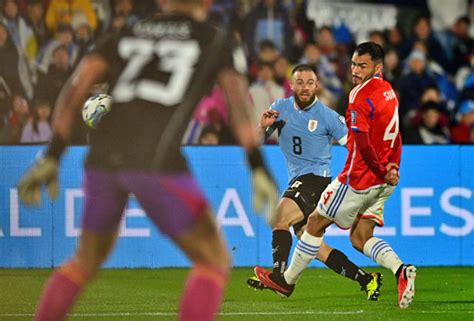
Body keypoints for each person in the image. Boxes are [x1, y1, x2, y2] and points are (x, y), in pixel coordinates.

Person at [17, 1, 277, 321]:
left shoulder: (128, 31)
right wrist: (258, 167)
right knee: (213, 259)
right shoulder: (217, 40)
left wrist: (53, 154)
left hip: (101, 158)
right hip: (155, 160)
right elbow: (238, 106)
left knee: (84, 261)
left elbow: (76, 87)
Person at [255, 42, 417, 309]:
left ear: (377, 67)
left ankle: (284, 280)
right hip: (382, 178)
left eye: (361, 65)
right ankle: (398, 271)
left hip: (355, 178)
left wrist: (377, 169)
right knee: (356, 237)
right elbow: (396, 135)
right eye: (353, 63)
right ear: (291, 85)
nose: (355, 70)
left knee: (307, 223)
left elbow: (360, 144)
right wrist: (392, 167)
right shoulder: (389, 92)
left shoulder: (353, 99)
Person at [249, 64, 382, 301]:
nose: (305, 87)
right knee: (315, 247)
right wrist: (262, 127)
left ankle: (280, 278)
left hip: (316, 180)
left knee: (279, 219)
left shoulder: (328, 116)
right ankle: (366, 279)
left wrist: (368, 173)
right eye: (299, 82)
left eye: (310, 82)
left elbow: (355, 146)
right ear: (291, 85)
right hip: (300, 179)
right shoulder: (279, 108)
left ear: (317, 85)